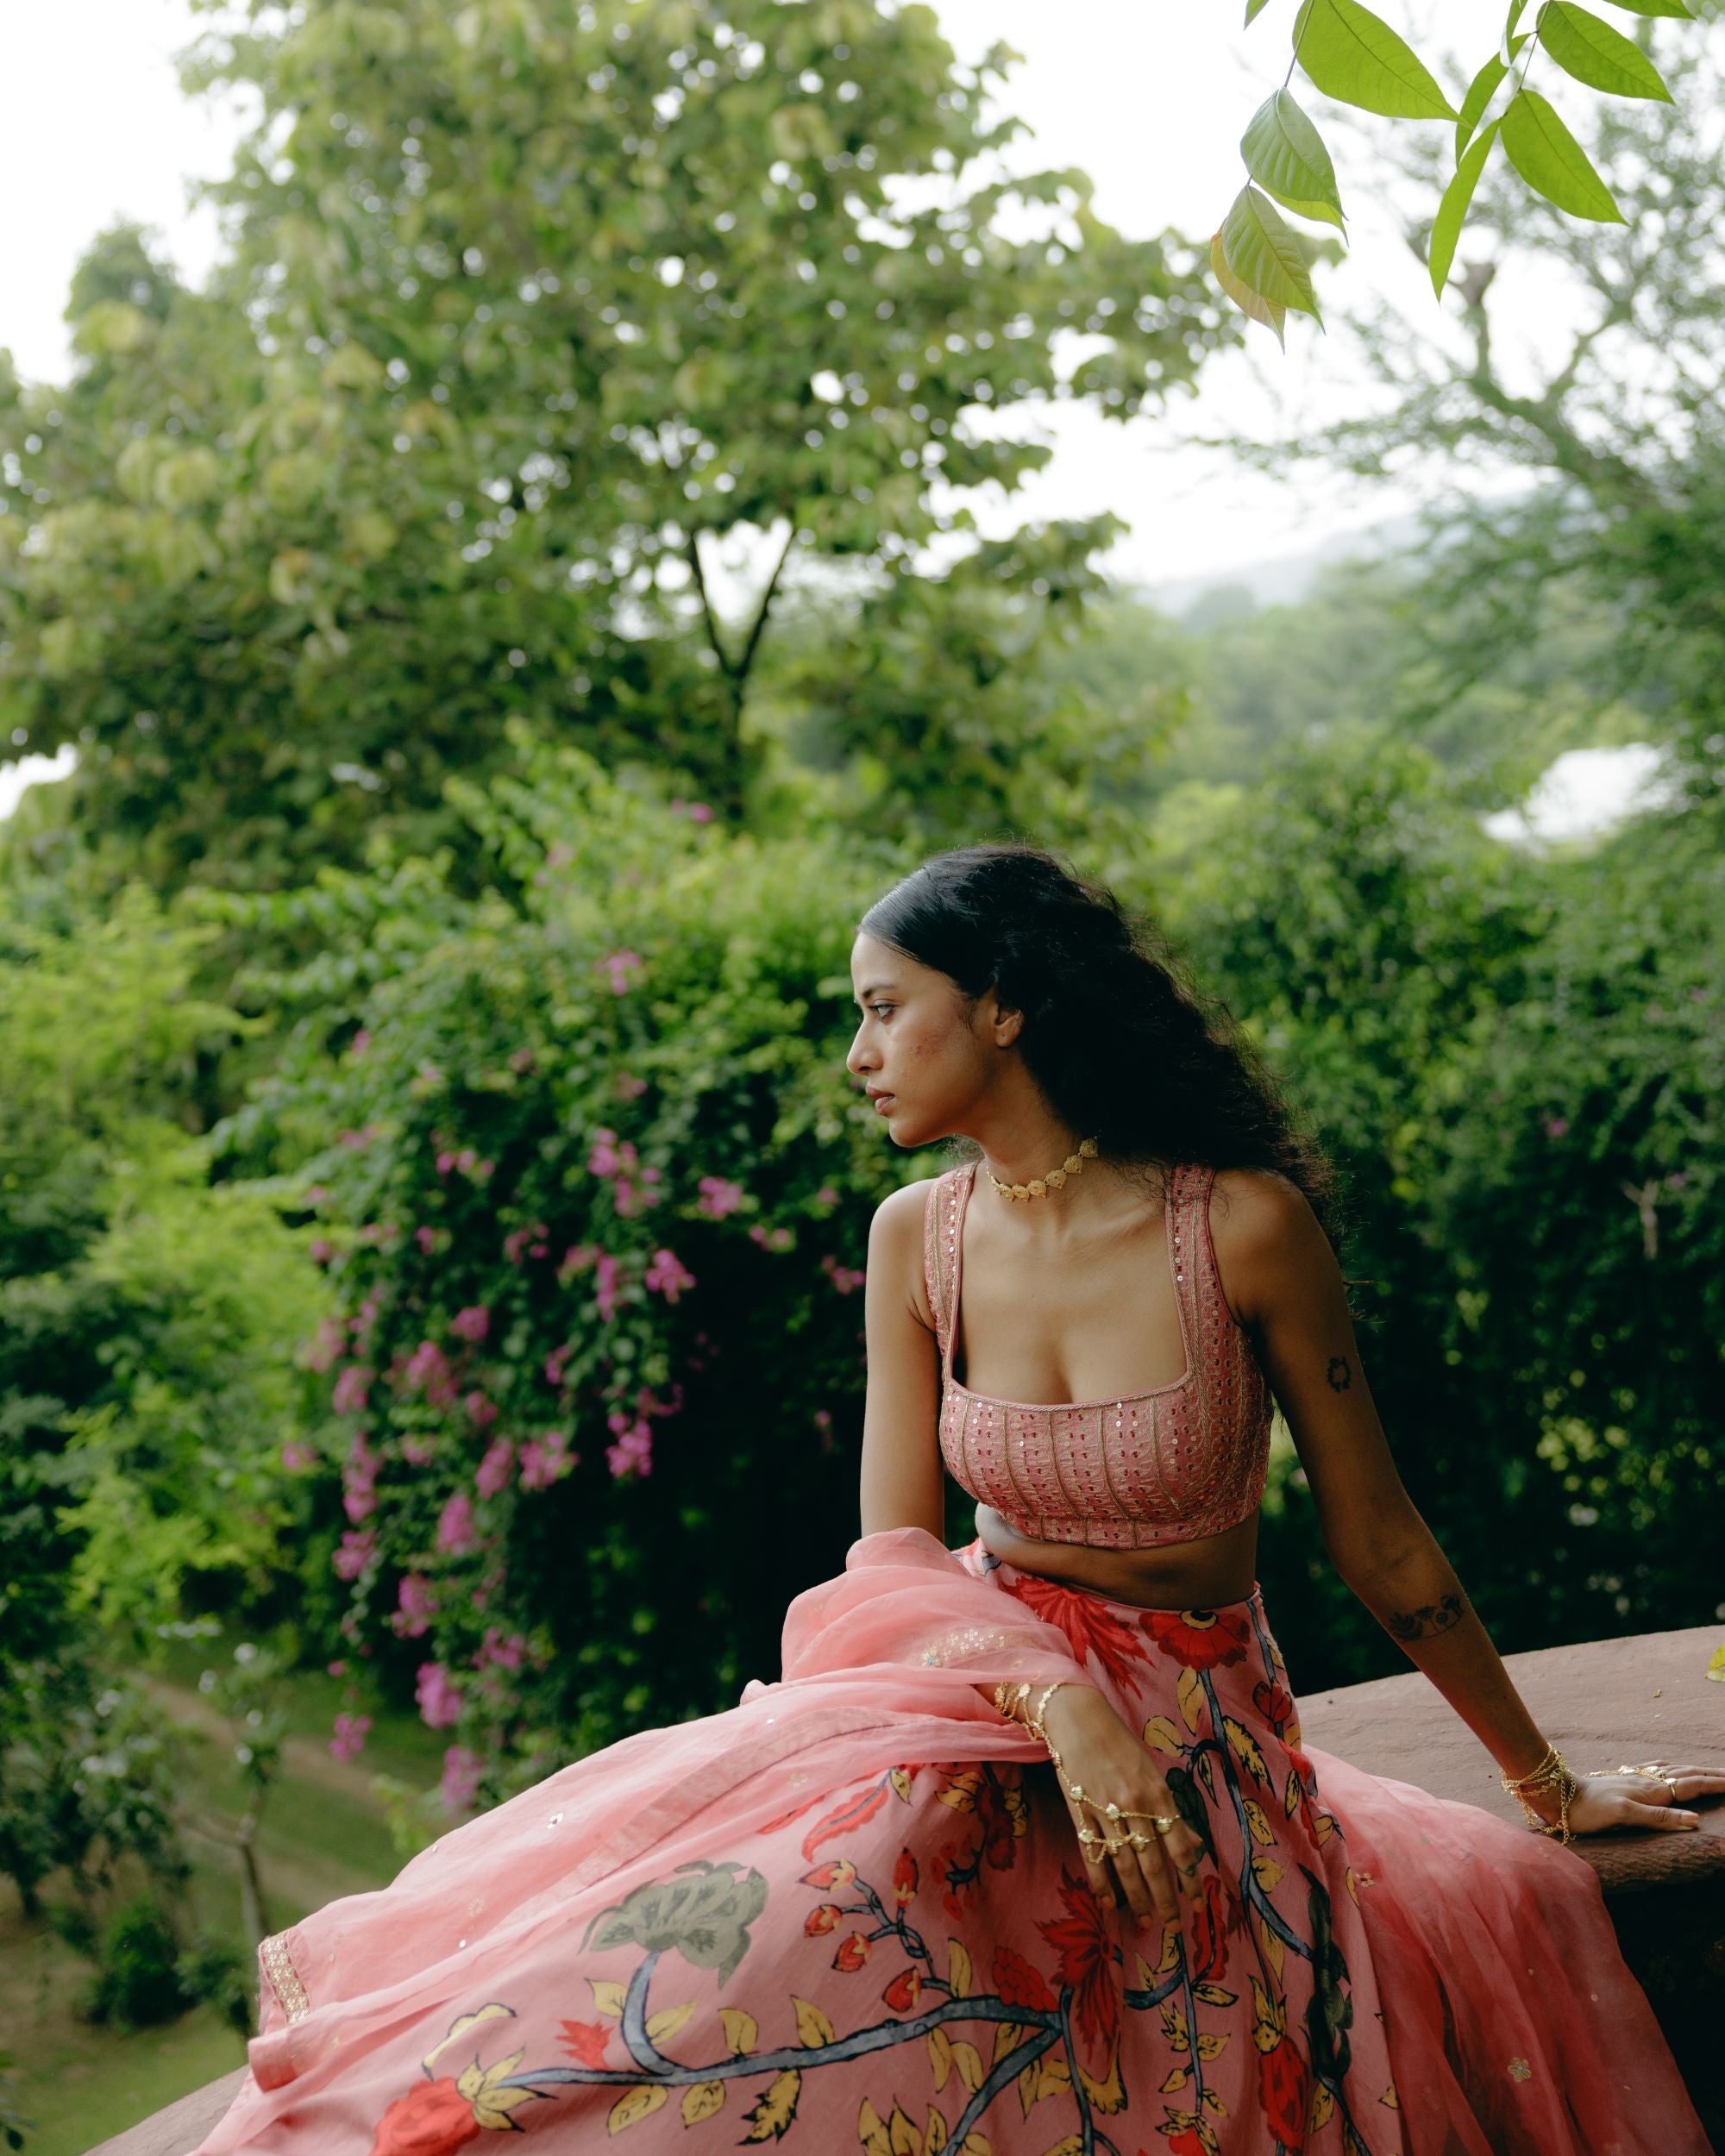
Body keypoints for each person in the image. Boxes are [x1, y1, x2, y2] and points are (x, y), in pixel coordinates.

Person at [194, 845, 1717, 2156]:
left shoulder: (1241, 1229)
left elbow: (1377, 1535)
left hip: (1198, 1730)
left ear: (1001, 1004)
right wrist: (1059, 1703)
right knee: (770, 1922)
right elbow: (892, 1555)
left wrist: (1542, 1783)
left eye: (881, 1009)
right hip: (978, 1687)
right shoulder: (915, 1236)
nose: (858, 1054)